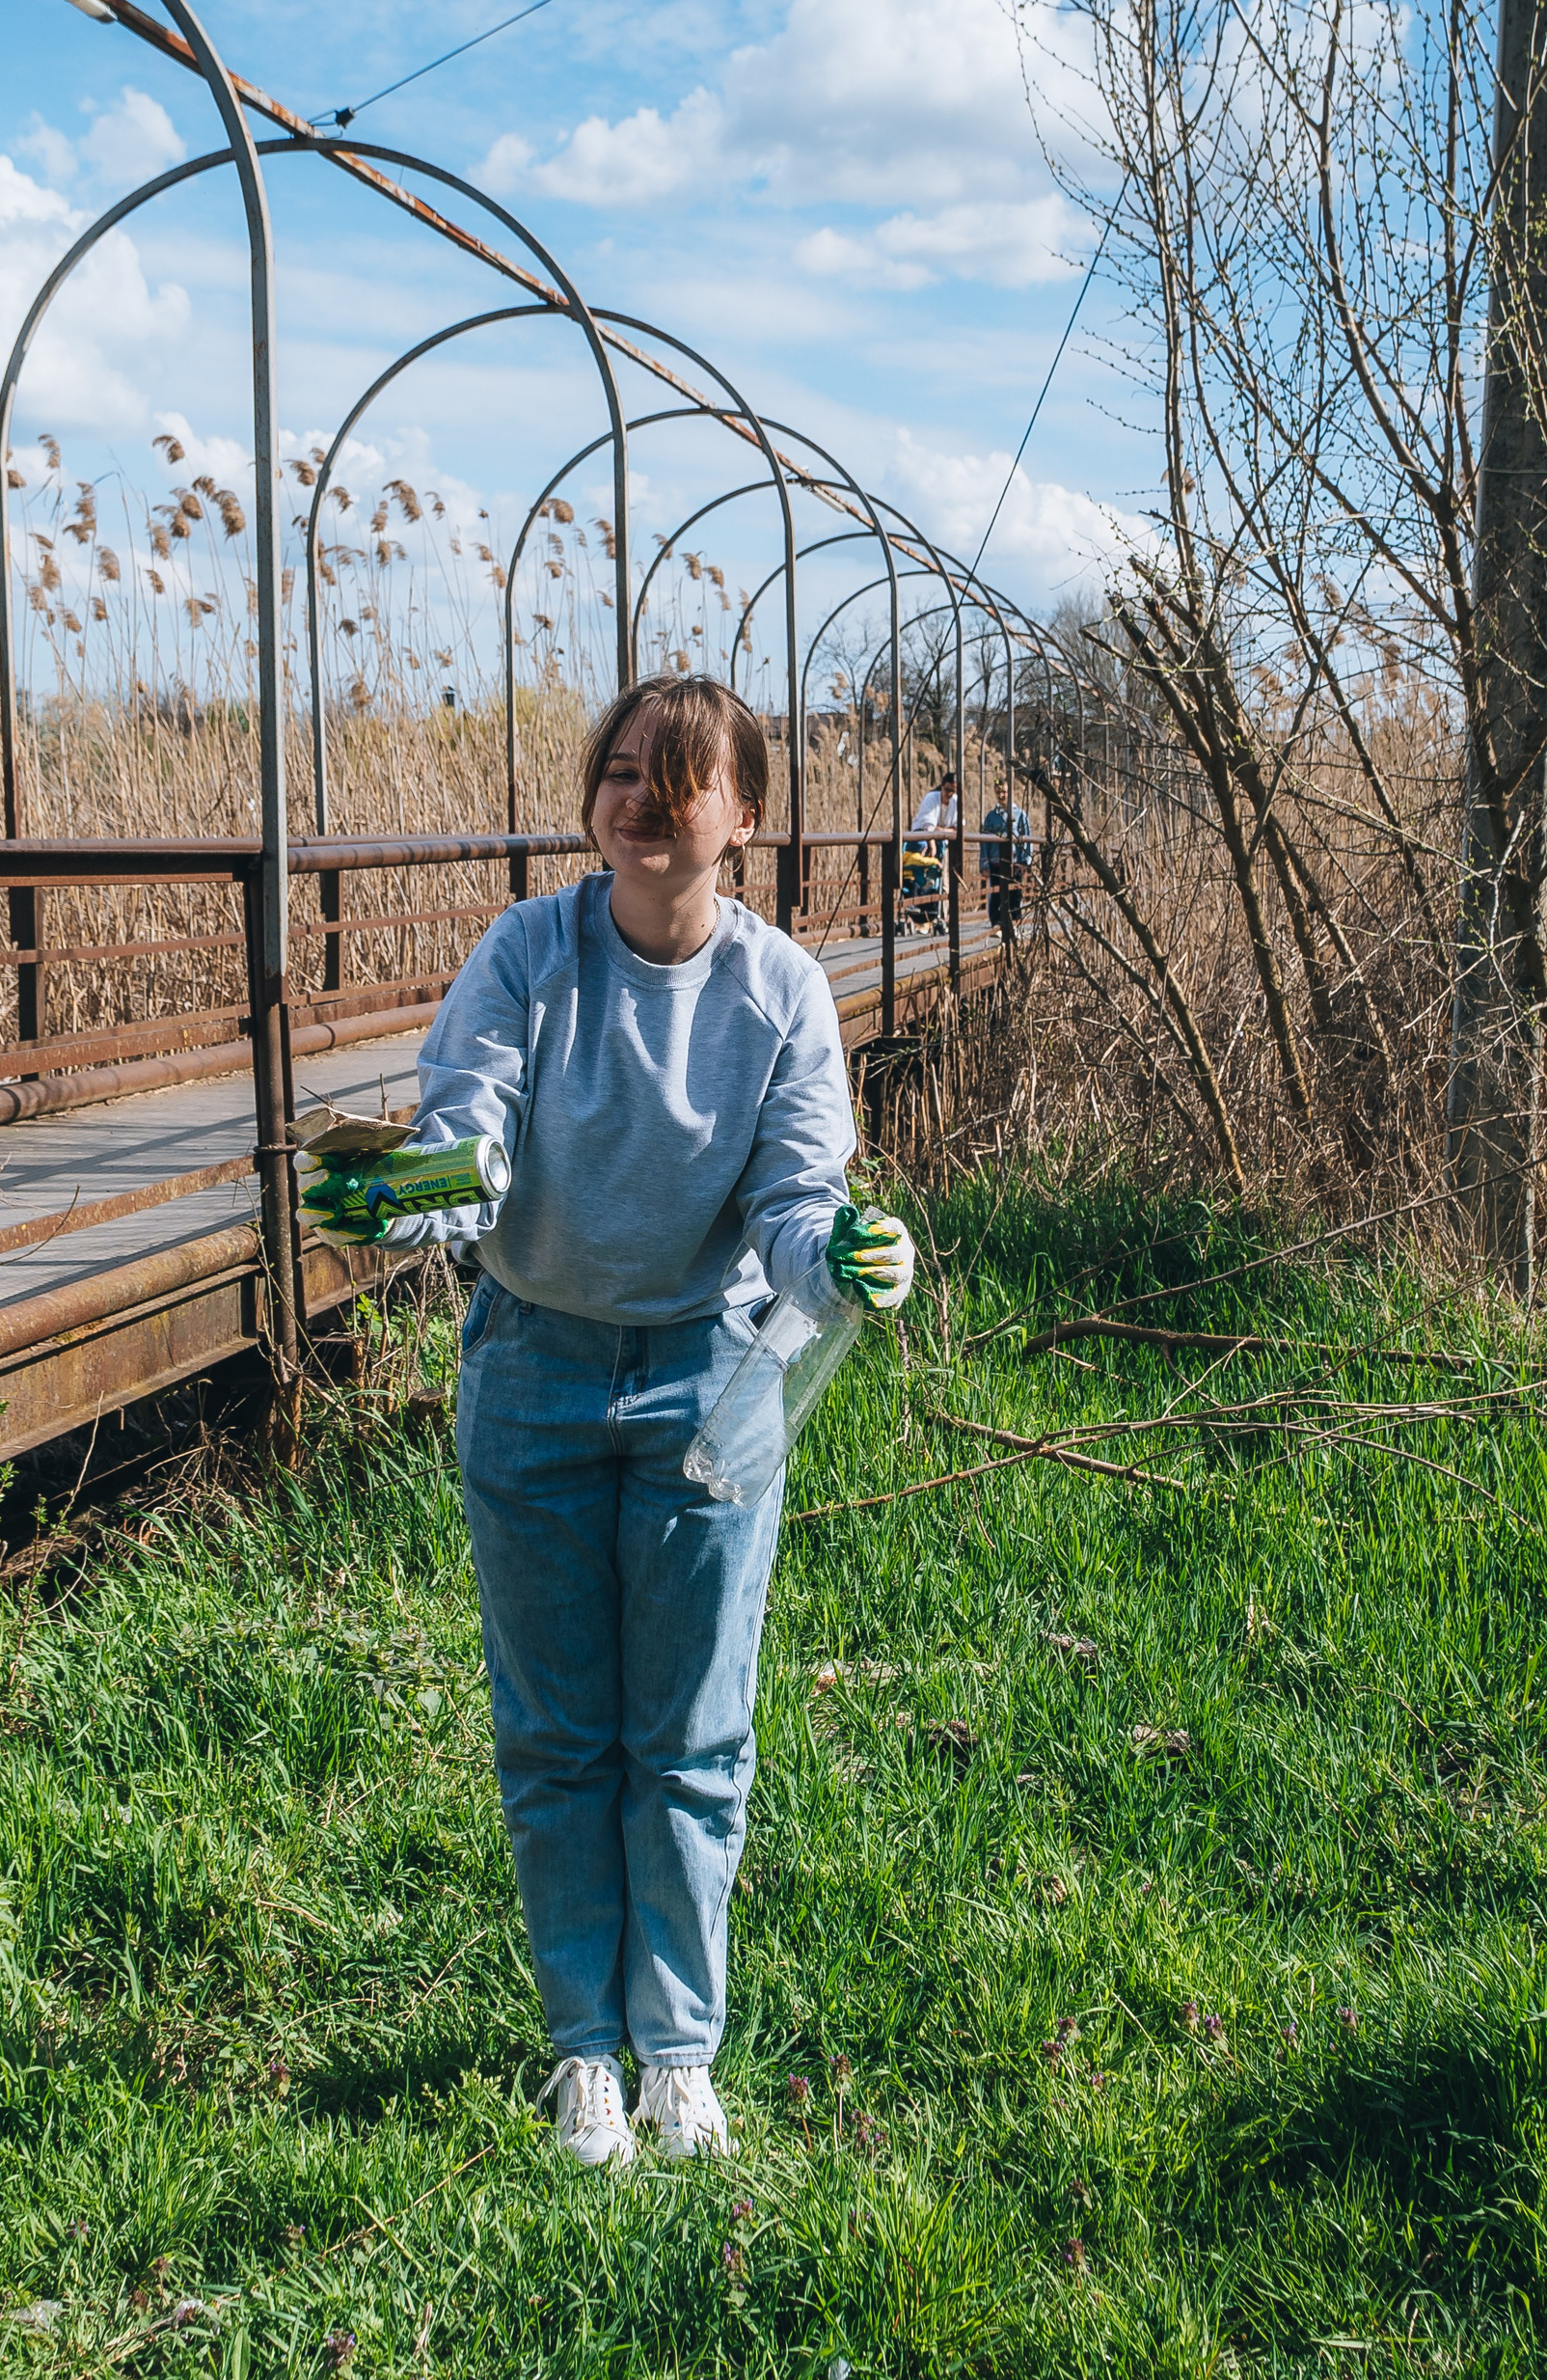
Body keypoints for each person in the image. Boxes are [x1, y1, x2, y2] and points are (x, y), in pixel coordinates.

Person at [303, 673, 914, 2170]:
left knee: (695, 1735)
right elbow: (473, 1131)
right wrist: (422, 1191)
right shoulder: (529, 953)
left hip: (713, 1381)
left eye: (680, 778)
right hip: (535, 1368)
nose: (641, 799)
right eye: (621, 772)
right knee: (562, 1733)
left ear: (744, 821)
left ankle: (680, 2052)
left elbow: (788, 1203)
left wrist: (837, 1251)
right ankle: (586, 2049)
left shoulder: (779, 996)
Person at [979, 775, 1033, 931]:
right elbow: (985, 841)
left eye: (1004, 792)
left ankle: (1015, 923)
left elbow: (1026, 838)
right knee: (996, 893)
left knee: (1015, 893)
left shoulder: (1020, 815)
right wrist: (984, 864)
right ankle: (997, 924)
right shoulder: (991, 817)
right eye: (998, 792)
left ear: (1011, 792)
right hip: (996, 862)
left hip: (1015, 862)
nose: (1001, 795)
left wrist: (1024, 861)